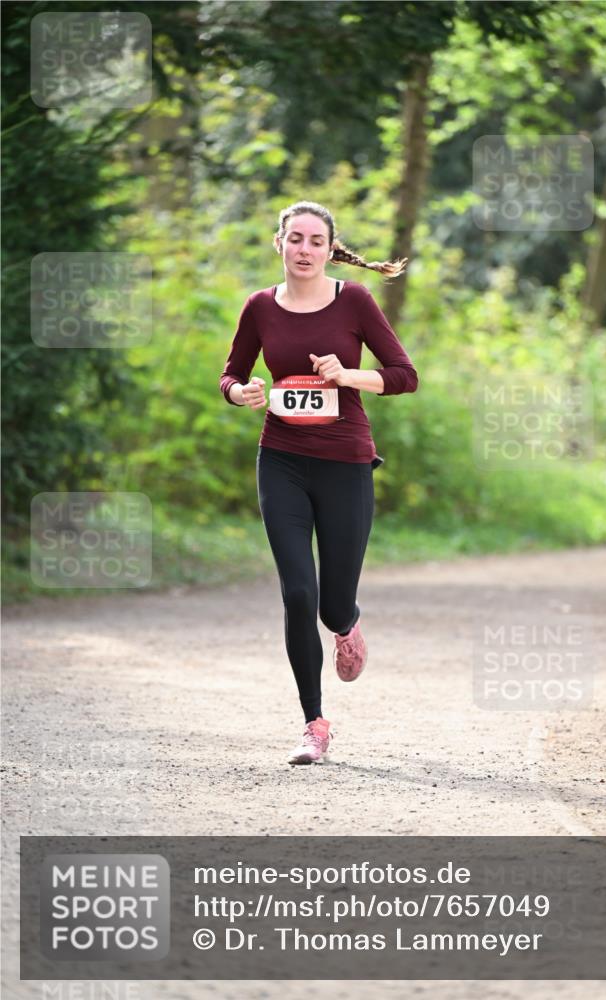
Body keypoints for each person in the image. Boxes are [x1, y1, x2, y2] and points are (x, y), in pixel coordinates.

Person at [219, 200, 418, 765]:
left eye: (315, 241)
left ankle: (347, 624)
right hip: (280, 458)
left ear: (330, 249)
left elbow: (405, 375)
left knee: (331, 604)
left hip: (345, 461)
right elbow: (231, 373)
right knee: (297, 593)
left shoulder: (353, 300)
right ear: (277, 243)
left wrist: (347, 374)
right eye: (295, 238)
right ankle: (314, 724)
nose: (304, 249)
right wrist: (240, 392)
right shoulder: (259, 307)